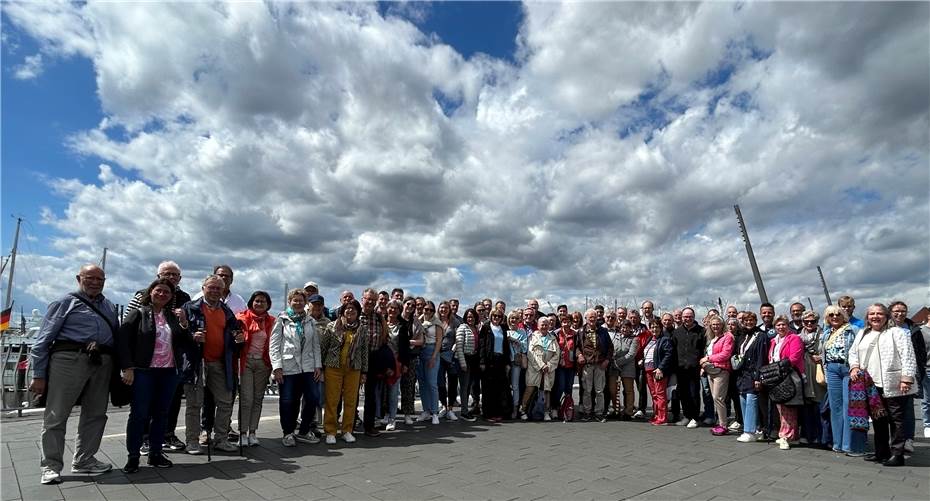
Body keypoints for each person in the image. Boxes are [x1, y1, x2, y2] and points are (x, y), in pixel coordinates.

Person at [30, 265, 119, 484]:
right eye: (90, 278)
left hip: (102, 361)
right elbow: (42, 341)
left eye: (100, 279)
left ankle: (84, 459)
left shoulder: (108, 305)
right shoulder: (64, 303)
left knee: (96, 413)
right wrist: (38, 374)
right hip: (70, 360)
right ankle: (50, 466)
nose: (96, 282)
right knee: (56, 414)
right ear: (79, 278)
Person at [118, 278, 192, 473]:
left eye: (167, 292)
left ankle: (156, 453)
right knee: (139, 414)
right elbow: (123, 340)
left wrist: (184, 323)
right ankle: (133, 456)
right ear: (150, 292)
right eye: (158, 290)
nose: (162, 294)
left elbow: (185, 341)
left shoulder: (173, 316)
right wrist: (127, 367)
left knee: (161, 414)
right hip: (144, 371)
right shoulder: (138, 313)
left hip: (168, 372)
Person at [180, 274, 243, 454]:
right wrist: (191, 336)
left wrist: (238, 339)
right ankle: (192, 441)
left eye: (218, 288)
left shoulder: (226, 311)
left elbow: (233, 334)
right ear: (203, 289)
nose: (215, 291)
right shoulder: (190, 308)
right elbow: (178, 335)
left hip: (219, 362)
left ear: (223, 290)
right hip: (196, 363)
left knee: (225, 401)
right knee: (194, 403)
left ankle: (220, 439)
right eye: (211, 287)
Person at [848, 304, 918, 466]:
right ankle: (881, 452)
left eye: (879, 313)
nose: (875, 316)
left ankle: (897, 454)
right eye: (872, 313)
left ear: (887, 316)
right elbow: (853, 353)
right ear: (867, 317)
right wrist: (854, 366)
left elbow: (908, 356)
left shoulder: (897, 333)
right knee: (878, 418)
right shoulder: (863, 333)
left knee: (896, 419)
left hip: (893, 383)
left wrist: (906, 379)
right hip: (870, 385)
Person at [270, 289, 322, 447]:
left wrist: (318, 365)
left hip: (308, 367)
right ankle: (288, 432)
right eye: (295, 300)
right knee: (288, 401)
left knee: (313, 398)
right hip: (288, 367)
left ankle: (304, 430)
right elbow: (274, 346)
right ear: (290, 302)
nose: (298, 303)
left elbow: (315, 346)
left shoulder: (310, 321)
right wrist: (277, 367)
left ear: (306, 303)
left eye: (301, 300)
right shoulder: (282, 320)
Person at [320, 300, 369, 444]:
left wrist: (364, 372)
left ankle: (347, 430)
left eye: (353, 309)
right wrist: (321, 368)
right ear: (342, 311)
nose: (350, 311)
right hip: (333, 368)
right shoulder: (332, 326)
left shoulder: (362, 329)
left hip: (353, 369)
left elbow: (364, 351)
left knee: (351, 401)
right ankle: (330, 431)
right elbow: (324, 348)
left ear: (358, 312)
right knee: (332, 400)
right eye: (347, 309)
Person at [819, 305, 865, 455]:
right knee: (835, 407)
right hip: (832, 370)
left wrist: (856, 367)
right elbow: (823, 356)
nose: (834, 317)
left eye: (838, 314)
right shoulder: (826, 334)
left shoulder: (853, 330)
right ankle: (837, 443)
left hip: (847, 368)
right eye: (831, 315)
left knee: (848, 406)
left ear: (843, 315)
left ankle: (848, 444)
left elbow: (859, 350)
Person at [769, 316, 804, 450]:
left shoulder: (794, 338)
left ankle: (786, 435)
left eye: (783, 324)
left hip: (789, 375)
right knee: (781, 407)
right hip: (777, 377)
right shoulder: (773, 341)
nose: (781, 327)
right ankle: (791, 435)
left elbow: (794, 357)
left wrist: (779, 367)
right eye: (778, 325)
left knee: (789, 406)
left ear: (787, 325)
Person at [735, 312, 768, 443]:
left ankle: (750, 431)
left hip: (754, 372)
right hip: (742, 373)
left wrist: (758, 377)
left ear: (755, 321)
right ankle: (754, 428)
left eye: (751, 320)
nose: (748, 322)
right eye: (746, 320)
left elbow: (761, 357)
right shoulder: (742, 336)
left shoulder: (760, 336)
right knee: (743, 399)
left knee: (751, 400)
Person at [358, 289, 387, 437]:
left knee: (371, 394)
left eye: (373, 300)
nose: (370, 302)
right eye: (367, 299)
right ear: (362, 299)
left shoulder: (378, 317)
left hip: (374, 357)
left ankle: (369, 426)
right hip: (357, 358)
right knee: (352, 393)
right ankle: (348, 425)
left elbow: (384, 336)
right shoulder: (355, 314)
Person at [519, 317, 559, 421]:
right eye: (542, 324)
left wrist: (548, 366)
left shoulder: (553, 338)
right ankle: (523, 410)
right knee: (530, 388)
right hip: (534, 368)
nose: (544, 326)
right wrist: (541, 365)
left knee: (547, 390)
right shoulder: (532, 337)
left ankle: (546, 412)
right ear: (538, 325)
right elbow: (531, 354)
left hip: (548, 370)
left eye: (546, 324)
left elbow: (557, 355)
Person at [672, 307, 705, 428]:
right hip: (681, 369)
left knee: (694, 394)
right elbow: (673, 350)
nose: (688, 319)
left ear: (694, 317)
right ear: (682, 317)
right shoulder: (677, 332)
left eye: (690, 316)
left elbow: (704, 350)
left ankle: (695, 418)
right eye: (685, 316)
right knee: (683, 394)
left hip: (694, 368)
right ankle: (687, 416)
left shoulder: (701, 331)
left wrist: (702, 366)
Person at [796, 310, 826, 447]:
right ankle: (807, 435)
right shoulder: (798, 337)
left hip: (818, 372)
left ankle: (821, 436)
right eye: (806, 321)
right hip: (804, 372)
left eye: (812, 321)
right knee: (806, 406)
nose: (809, 324)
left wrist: (822, 357)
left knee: (819, 405)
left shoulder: (823, 335)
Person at [700, 316, 733, 435]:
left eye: (718, 324)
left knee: (718, 398)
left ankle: (723, 425)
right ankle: (720, 423)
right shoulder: (712, 338)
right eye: (713, 324)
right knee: (715, 398)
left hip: (721, 371)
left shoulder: (727, 337)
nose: (715, 326)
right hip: (710, 371)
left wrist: (708, 358)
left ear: (722, 324)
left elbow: (725, 354)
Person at [577, 309, 612, 422]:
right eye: (590, 317)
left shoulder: (603, 331)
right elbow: (576, 346)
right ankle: (587, 412)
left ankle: (599, 413)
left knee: (599, 391)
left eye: (594, 317)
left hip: (600, 364)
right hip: (587, 364)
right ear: (586, 318)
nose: (592, 319)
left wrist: (607, 360)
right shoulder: (581, 331)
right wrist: (579, 355)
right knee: (587, 390)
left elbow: (610, 348)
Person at [479, 309, 513, 422]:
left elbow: (506, 347)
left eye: (499, 316)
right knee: (488, 389)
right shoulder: (486, 328)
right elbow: (482, 345)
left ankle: (500, 412)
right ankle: (488, 413)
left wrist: (507, 363)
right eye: (494, 316)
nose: (496, 318)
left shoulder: (504, 328)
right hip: (489, 360)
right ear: (491, 316)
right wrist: (482, 361)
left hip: (501, 360)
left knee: (501, 388)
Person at [381, 300, 410, 430]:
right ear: (387, 309)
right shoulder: (381, 323)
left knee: (393, 391)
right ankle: (383, 414)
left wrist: (405, 363)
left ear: (399, 311)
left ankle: (392, 418)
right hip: (381, 361)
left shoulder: (403, 326)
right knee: (381, 391)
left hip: (396, 362)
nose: (392, 310)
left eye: (395, 309)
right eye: (390, 308)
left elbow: (405, 347)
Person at [645, 314, 676, 425]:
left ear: (661, 327)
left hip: (657, 370)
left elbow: (669, 355)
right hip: (648, 370)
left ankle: (663, 418)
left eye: (656, 327)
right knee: (654, 394)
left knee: (660, 394)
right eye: (652, 327)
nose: (654, 329)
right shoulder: (650, 339)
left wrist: (660, 368)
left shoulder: (665, 340)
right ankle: (656, 415)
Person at [400, 297, 426, 423]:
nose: (410, 307)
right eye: (408, 304)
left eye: (413, 305)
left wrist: (408, 342)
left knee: (409, 386)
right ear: (403, 304)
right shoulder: (396, 318)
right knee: (391, 387)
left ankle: (407, 413)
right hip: (396, 356)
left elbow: (421, 341)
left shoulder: (416, 322)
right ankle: (389, 414)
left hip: (411, 357)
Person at [418, 301, 442, 424]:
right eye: (425, 309)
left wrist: (433, 357)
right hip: (420, 352)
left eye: (430, 310)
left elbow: (439, 341)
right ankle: (426, 410)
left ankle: (435, 412)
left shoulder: (437, 323)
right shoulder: (420, 322)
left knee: (432, 383)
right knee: (422, 383)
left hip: (432, 351)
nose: (427, 311)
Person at [454, 308, 481, 421]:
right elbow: (459, 346)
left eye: (473, 317)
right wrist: (462, 363)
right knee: (464, 387)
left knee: (469, 386)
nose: (471, 319)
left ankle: (466, 410)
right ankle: (464, 412)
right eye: (469, 317)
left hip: (473, 359)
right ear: (466, 317)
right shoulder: (462, 327)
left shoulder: (475, 328)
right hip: (464, 358)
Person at [436, 301, 459, 421]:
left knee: (453, 382)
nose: (443, 310)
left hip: (451, 356)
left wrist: (453, 349)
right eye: (442, 308)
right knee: (440, 382)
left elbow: (458, 337)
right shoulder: (435, 321)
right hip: (438, 355)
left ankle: (450, 408)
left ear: (449, 310)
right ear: (438, 309)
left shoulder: (454, 322)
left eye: (446, 308)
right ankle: (443, 405)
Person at [552, 311, 577, 420]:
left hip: (571, 364)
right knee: (560, 386)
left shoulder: (575, 334)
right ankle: (555, 407)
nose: (565, 324)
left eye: (567, 322)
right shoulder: (556, 333)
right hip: (560, 365)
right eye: (563, 321)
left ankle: (567, 408)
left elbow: (577, 347)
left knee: (568, 388)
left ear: (571, 322)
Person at [506, 310, 529, 419]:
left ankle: (515, 408)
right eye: (511, 318)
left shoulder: (522, 331)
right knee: (506, 386)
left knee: (515, 386)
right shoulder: (505, 331)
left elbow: (525, 348)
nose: (513, 320)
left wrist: (515, 341)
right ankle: (506, 407)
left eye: (515, 318)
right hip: (506, 362)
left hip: (516, 362)